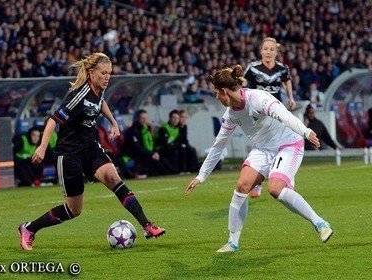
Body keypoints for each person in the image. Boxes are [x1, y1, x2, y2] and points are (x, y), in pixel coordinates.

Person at [18, 53, 165, 251]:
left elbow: (100, 103)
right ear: (91, 73)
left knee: (115, 179)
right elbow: (54, 119)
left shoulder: (99, 90)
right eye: (103, 73)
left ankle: (147, 225)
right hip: (69, 154)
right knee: (73, 210)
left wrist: (113, 122)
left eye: (109, 73)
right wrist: (43, 146)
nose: (107, 77)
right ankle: (29, 228)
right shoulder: (78, 94)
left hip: (90, 148)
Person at [185, 65, 333, 253]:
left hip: (288, 145)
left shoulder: (258, 99)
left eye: (216, 93)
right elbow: (218, 145)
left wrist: (305, 131)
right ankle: (232, 242)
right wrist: (201, 175)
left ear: (224, 91)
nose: (216, 98)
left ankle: (319, 223)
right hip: (263, 149)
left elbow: (284, 115)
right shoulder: (231, 115)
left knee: (274, 189)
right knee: (242, 186)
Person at [243, 37, 296, 198]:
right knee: (263, 145)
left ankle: (286, 179)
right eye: (265, 49)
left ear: (276, 51)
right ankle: (257, 182)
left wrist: (291, 98)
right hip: (258, 113)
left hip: (276, 111)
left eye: (271, 49)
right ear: (261, 51)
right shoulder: (253, 68)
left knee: (283, 144)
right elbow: (244, 83)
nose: (268, 52)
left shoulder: (282, 69)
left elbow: (287, 81)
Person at [123, 109, 175, 176]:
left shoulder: (147, 129)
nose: (144, 120)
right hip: (137, 155)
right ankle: (167, 175)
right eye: (142, 118)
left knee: (163, 159)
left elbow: (152, 143)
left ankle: (174, 173)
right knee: (156, 163)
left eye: (145, 118)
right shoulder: (132, 131)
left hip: (148, 153)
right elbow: (137, 147)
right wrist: (152, 154)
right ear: (137, 119)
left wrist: (155, 152)